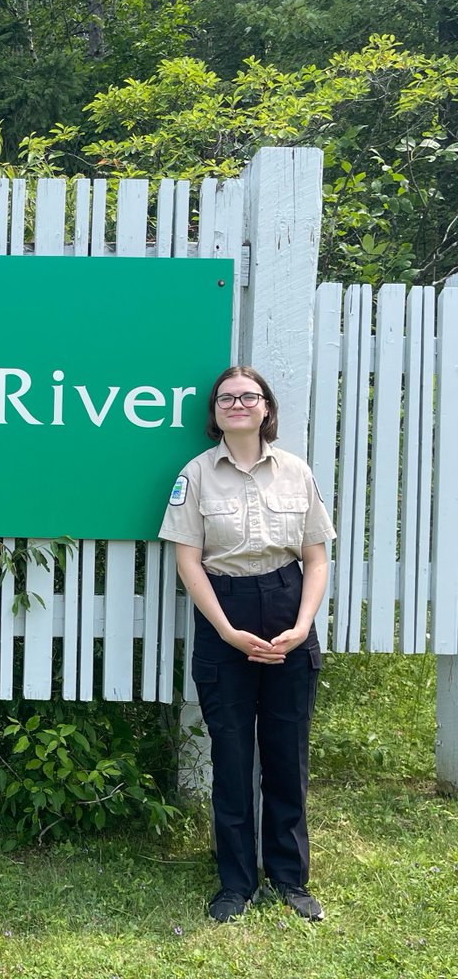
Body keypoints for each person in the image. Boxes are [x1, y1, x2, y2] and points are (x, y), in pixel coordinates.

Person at [159, 365, 335, 924]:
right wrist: (227, 631)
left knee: (287, 754)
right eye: (226, 398)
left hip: (287, 609)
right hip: (223, 612)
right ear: (214, 413)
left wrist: (303, 624)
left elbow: (316, 557)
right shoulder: (196, 475)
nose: (237, 404)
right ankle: (235, 883)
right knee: (231, 756)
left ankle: (289, 877)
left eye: (248, 397)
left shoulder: (296, 473)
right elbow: (188, 560)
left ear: (266, 408)